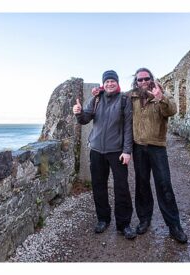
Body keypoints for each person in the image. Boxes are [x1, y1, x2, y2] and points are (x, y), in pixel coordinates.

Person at [73, 70, 136, 240]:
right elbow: (85, 119)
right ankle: (103, 219)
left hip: (117, 152)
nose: (110, 84)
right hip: (96, 151)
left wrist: (127, 151)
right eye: (107, 81)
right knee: (98, 186)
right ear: (103, 83)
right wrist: (79, 112)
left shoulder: (124, 100)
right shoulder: (96, 99)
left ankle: (124, 224)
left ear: (117, 83)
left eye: (112, 81)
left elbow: (129, 128)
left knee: (121, 188)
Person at [128, 67, 188, 243]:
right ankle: (144, 219)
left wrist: (160, 98)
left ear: (151, 79)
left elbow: (172, 110)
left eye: (146, 78)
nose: (143, 82)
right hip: (138, 147)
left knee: (164, 185)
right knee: (142, 185)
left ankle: (174, 226)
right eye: (140, 80)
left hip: (157, 147)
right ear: (136, 82)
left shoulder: (160, 92)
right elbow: (114, 98)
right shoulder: (131, 96)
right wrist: (99, 93)